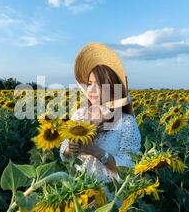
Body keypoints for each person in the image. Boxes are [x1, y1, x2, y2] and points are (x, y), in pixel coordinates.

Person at [60, 43, 142, 189]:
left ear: (111, 87)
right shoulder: (80, 115)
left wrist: (96, 151)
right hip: (80, 192)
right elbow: (64, 153)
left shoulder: (126, 123)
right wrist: (69, 149)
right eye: (89, 83)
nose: (91, 89)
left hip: (110, 200)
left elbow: (130, 168)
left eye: (98, 84)